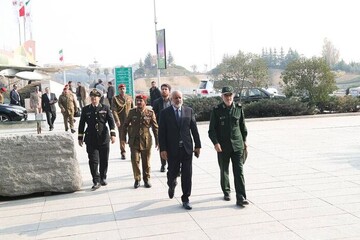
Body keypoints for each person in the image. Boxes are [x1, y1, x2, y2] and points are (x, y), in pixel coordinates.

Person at [158, 90, 201, 210]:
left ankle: (186, 198)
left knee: (187, 174)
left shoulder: (189, 111)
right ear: (172, 99)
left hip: (187, 149)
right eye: (176, 98)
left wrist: (198, 145)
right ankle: (171, 184)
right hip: (172, 150)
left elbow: (194, 129)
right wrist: (163, 149)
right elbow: (161, 133)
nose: (178, 100)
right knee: (173, 172)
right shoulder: (165, 113)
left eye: (180, 98)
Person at [208, 86, 249, 207]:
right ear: (222, 96)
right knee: (224, 170)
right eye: (226, 95)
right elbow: (212, 130)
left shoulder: (239, 108)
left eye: (230, 95)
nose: (228, 97)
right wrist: (216, 143)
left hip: (237, 145)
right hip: (223, 146)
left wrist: (245, 141)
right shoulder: (216, 110)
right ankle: (226, 191)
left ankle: (241, 197)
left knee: (239, 171)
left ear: (233, 95)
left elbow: (242, 126)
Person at [78, 88, 116, 190]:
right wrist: (80, 137)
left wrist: (113, 134)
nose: (94, 99)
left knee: (104, 159)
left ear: (99, 98)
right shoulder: (86, 109)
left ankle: (103, 177)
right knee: (93, 161)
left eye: (96, 97)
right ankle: (96, 180)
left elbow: (111, 122)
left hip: (103, 138)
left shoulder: (105, 108)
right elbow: (81, 123)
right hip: (91, 139)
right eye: (92, 97)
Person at [122, 94, 158, 189]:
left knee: (146, 162)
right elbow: (125, 125)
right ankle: (137, 179)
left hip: (146, 141)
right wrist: (123, 138)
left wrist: (158, 141)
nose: (138, 102)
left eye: (140, 101)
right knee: (135, 160)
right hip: (134, 141)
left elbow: (155, 128)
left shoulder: (150, 113)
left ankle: (146, 179)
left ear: (145, 102)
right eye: (137, 101)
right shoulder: (132, 112)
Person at [152, 83, 172, 172]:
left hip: (172, 128)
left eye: (165, 89)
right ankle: (163, 164)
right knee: (162, 146)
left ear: (169, 91)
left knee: (172, 147)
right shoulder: (157, 102)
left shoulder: (173, 101)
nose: (163, 91)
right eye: (162, 89)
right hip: (161, 128)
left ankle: (171, 164)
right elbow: (153, 114)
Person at [112, 84, 133, 160]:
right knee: (122, 137)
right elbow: (114, 110)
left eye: (123, 88)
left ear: (125, 89)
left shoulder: (129, 97)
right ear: (118, 90)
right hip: (121, 121)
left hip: (130, 121)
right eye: (121, 89)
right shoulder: (115, 99)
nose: (122, 90)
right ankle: (123, 152)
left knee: (132, 137)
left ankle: (133, 152)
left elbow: (133, 109)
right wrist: (117, 120)